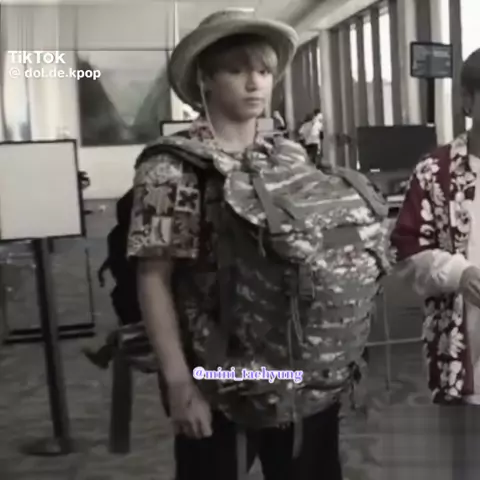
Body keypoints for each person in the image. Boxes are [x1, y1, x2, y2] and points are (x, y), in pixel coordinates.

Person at [127, 9, 388, 480]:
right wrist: (179, 382)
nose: (254, 83)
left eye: (264, 71)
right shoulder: (173, 167)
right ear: (205, 80)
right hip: (221, 378)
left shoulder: (287, 156)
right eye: (236, 70)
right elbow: (153, 277)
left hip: (301, 374)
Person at [390, 47, 480, 406]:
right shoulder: (435, 171)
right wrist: (459, 273)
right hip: (460, 351)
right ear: (468, 101)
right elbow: (405, 249)